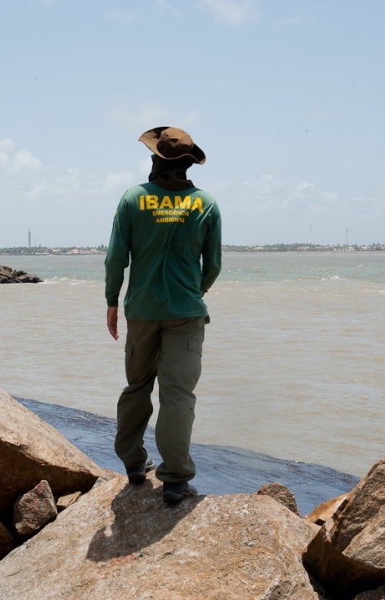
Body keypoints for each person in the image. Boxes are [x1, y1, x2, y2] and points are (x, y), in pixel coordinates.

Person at [105, 126, 222, 504]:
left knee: (137, 386)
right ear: (189, 165)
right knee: (178, 395)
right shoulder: (206, 204)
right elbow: (214, 266)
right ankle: (174, 480)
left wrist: (111, 301)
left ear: (155, 159)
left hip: (140, 311)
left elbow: (115, 259)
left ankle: (135, 463)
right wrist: (194, 292)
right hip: (186, 314)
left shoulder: (133, 199)